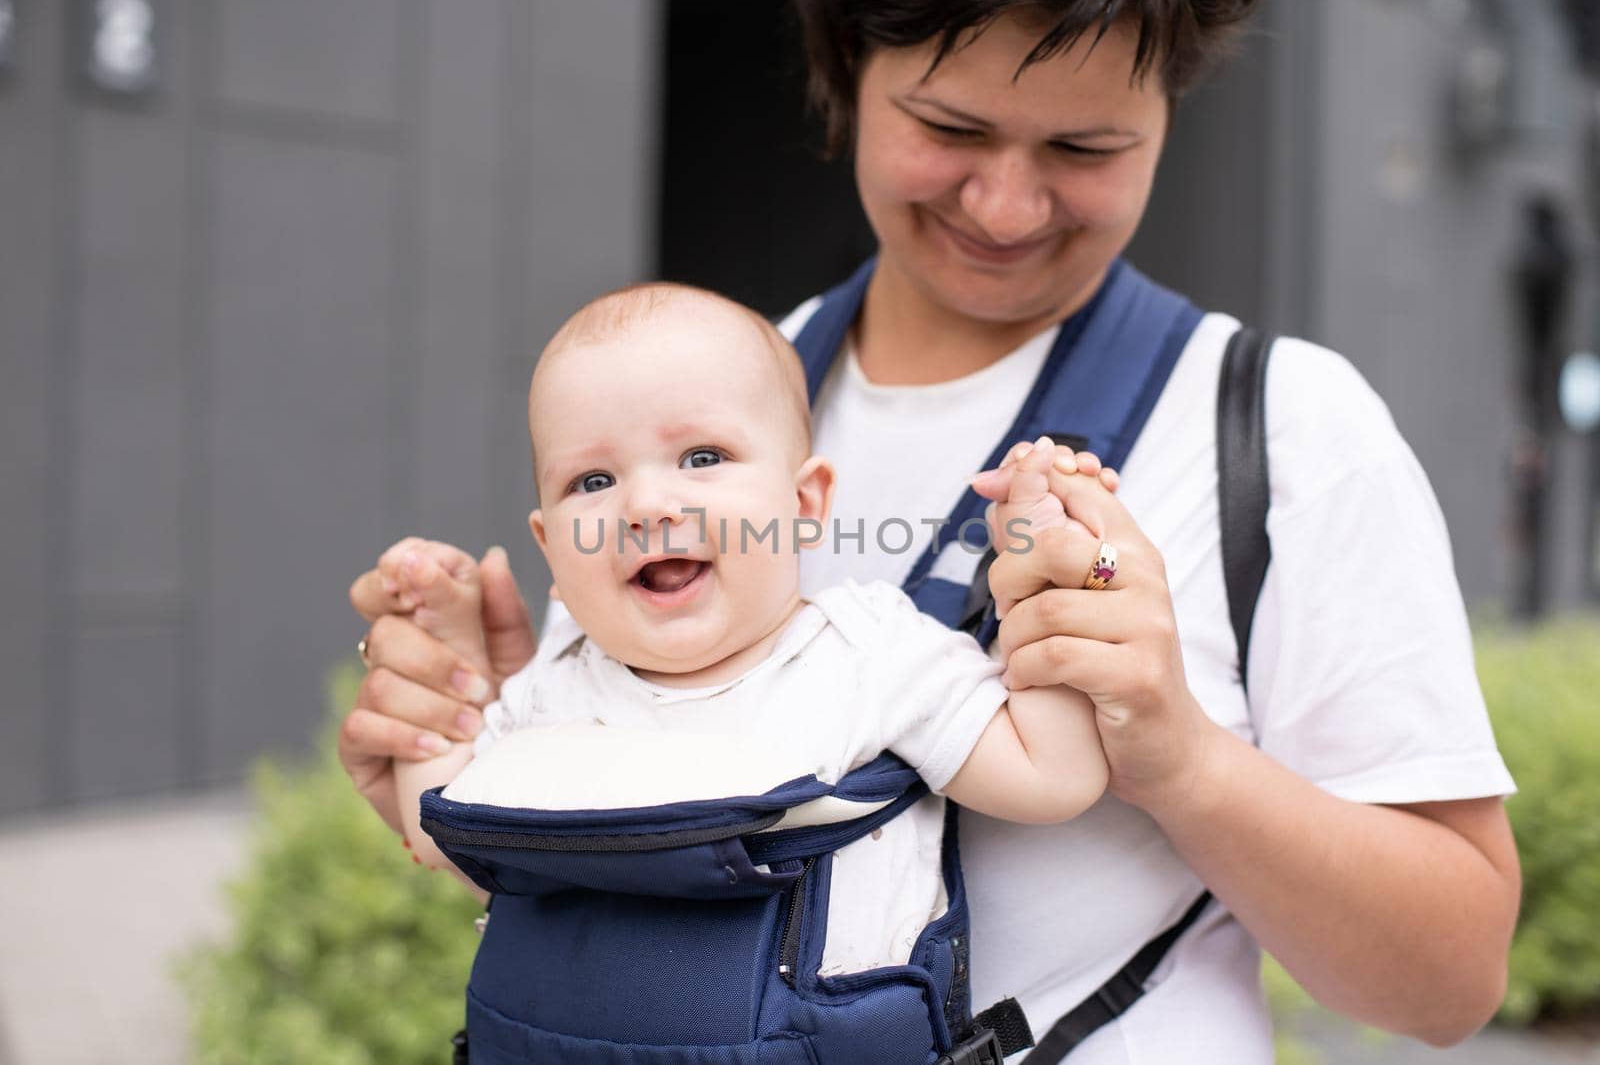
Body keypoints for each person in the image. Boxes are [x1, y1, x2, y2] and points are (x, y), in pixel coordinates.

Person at [345, 1, 1522, 1061]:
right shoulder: (692, 405)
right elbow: (630, 889)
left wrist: (1179, 755)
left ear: (1167, 110)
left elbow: (1447, 982)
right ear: (845, 68)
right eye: (949, 130)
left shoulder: (1284, 431)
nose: (1004, 205)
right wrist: (495, 747)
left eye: (1083, 147)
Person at [390, 281, 1115, 978]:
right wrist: (446, 651)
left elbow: (1052, 776)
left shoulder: (869, 653)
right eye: (593, 481)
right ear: (551, 547)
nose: (646, 502)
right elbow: (441, 831)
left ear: (803, 502)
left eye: (702, 458)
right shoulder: (553, 689)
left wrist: (1043, 577)